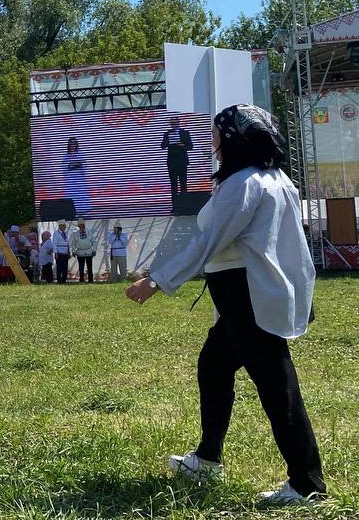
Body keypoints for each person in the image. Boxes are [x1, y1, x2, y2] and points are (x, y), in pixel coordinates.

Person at [127, 104, 326, 505]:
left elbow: (207, 242)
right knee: (214, 366)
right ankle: (207, 459)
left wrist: (157, 280)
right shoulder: (276, 179)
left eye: (217, 133)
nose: (212, 142)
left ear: (233, 137)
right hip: (251, 291)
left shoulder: (244, 184)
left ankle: (307, 485)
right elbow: (293, 249)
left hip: (244, 294)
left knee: (276, 385)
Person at [161, 115, 194, 200]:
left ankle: (184, 204)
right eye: (171, 123)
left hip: (182, 162)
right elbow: (162, 146)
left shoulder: (185, 133)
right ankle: (175, 205)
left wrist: (182, 144)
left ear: (178, 123)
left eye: (175, 122)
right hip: (172, 162)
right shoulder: (167, 134)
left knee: (183, 183)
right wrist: (169, 142)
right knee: (173, 184)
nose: (173, 124)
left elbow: (190, 146)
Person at [63, 138, 91, 218]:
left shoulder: (81, 154)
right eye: (71, 144)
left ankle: (83, 211)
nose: (73, 145)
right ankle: (73, 212)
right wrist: (70, 165)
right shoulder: (66, 156)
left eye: (74, 144)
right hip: (71, 179)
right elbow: (64, 167)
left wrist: (79, 165)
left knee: (81, 194)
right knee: (72, 195)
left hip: (79, 178)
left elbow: (84, 165)